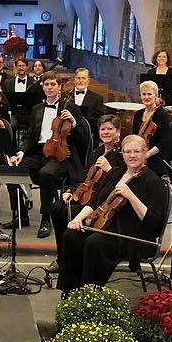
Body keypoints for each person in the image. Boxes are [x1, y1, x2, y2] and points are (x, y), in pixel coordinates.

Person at [57, 135, 167, 292]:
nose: (132, 155)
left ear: (145, 153)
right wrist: (77, 219)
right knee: (70, 236)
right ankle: (70, 291)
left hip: (131, 235)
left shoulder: (153, 181)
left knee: (94, 242)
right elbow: (95, 203)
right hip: (104, 225)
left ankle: (89, 293)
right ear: (122, 154)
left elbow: (154, 224)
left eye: (137, 151)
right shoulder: (116, 173)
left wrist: (131, 196)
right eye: (128, 151)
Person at [11, 72, 85, 236]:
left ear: (60, 87)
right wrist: (21, 152)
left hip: (60, 154)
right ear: (42, 87)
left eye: (53, 84)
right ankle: (21, 215)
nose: (50, 87)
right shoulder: (36, 109)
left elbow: (82, 139)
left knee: (46, 174)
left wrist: (73, 122)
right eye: (47, 84)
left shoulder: (71, 108)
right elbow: (31, 137)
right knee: (12, 170)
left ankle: (46, 218)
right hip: (38, 151)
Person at [50, 114, 125, 270]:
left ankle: (72, 260)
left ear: (118, 133)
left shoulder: (122, 155)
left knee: (67, 213)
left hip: (102, 201)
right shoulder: (97, 151)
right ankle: (61, 256)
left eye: (110, 129)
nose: (106, 132)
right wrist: (71, 191)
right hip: (86, 194)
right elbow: (85, 176)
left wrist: (108, 169)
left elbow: (119, 184)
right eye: (103, 129)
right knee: (57, 208)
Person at [132, 80, 171, 176]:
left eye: (149, 94)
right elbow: (133, 136)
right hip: (139, 153)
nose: (146, 97)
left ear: (156, 96)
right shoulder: (138, 114)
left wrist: (147, 154)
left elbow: (163, 142)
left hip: (156, 156)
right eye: (143, 94)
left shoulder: (162, 114)